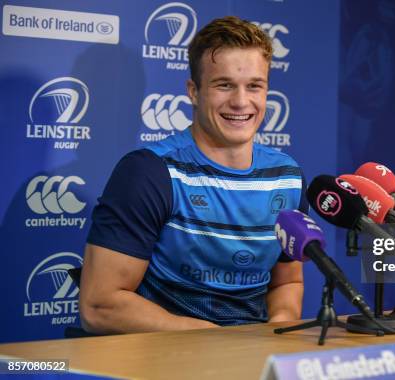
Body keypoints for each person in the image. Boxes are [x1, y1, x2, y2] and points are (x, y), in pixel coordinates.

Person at [79, 16, 307, 334]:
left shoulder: (287, 177)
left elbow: (288, 281)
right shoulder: (149, 172)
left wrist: (277, 329)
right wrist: (216, 343)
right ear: (194, 91)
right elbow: (100, 304)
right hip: (164, 359)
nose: (241, 102)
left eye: (254, 86)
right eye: (224, 84)